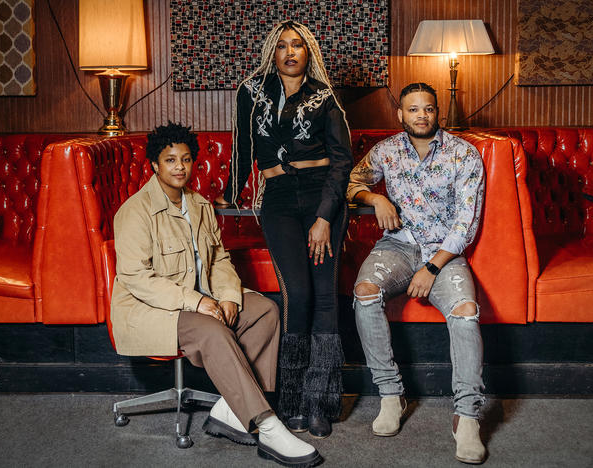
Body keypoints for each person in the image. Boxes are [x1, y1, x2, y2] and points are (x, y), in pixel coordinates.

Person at [111, 122, 322, 467]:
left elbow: (220, 259)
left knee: (266, 310)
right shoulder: (135, 211)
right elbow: (136, 278)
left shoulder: (199, 206)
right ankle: (266, 426)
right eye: (170, 160)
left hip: (201, 298)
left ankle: (231, 409)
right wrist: (198, 302)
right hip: (152, 310)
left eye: (186, 159)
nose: (180, 167)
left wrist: (226, 297)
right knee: (212, 329)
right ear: (154, 165)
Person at [215, 20, 353, 439]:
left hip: (321, 196)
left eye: (298, 46)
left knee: (325, 297)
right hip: (276, 197)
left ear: (308, 53)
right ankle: (292, 401)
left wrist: (325, 217)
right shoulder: (251, 92)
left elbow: (342, 161)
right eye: (282, 46)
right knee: (297, 294)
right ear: (272, 53)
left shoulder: (325, 97)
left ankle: (320, 404)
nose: (290, 52)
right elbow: (242, 146)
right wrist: (229, 194)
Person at [347, 83, 487, 464]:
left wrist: (431, 267)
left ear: (437, 112)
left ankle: (467, 415)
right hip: (397, 245)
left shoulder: (464, 154)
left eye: (428, 109)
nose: (421, 115)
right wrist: (375, 197)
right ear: (400, 115)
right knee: (364, 291)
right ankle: (391, 395)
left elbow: (465, 225)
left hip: (444, 253)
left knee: (465, 313)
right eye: (413, 109)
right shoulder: (387, 151)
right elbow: (350, 182)